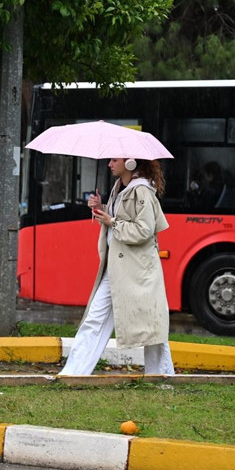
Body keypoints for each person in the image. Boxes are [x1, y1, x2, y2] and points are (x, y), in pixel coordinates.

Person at [59, 158, 174, 376]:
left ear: (130, 162)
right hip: (117, 268)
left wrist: (111, 221)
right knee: (95, 318)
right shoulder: (120, 187)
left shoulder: (141, 191)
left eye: (114, 160)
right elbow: (119, 219)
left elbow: (144, 230)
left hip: (138, 270)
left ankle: (162, 375)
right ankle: (73, 373)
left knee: (153, 325)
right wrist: (101, 208)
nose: (110, 164)